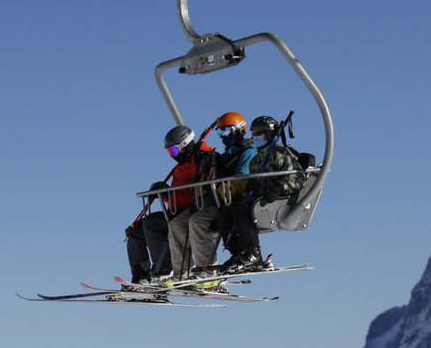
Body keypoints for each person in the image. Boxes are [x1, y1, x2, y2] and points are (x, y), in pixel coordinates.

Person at [125, 124, 213, 283]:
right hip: (176, 211)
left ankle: (167, 270)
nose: (171, 155)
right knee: (134, 233)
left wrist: (166, 193)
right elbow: (178, 196)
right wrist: (164, 192)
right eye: (168, 152)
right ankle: (142, 276)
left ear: (185, 146)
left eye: (173, 151)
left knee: (153, 224)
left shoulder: (203, 161)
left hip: (192, 212)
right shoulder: (181, 167)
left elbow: (193, 197)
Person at [220, 115, 305, 273]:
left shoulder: (280, 153)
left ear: (269, 134)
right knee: (225, 209)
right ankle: (239, 252)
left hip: (276, 198)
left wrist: (279, 188)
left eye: (259, 133)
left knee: (241, 207)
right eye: (253, 133)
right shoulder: (255, 156)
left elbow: (298, 178)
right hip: (259, 195)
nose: (255, 137)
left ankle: (253, 254)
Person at [187, 112, 257, 273]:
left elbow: (242, 178)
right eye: (220, 132)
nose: (222, 137)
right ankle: (209, 264)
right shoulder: (226, 155)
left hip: (237, 199)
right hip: (222, 199)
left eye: (225, 131)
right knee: (196, 220)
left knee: (205, 218)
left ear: (239, 130)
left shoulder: (248, 152)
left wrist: (218, 189)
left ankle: (238, 257)